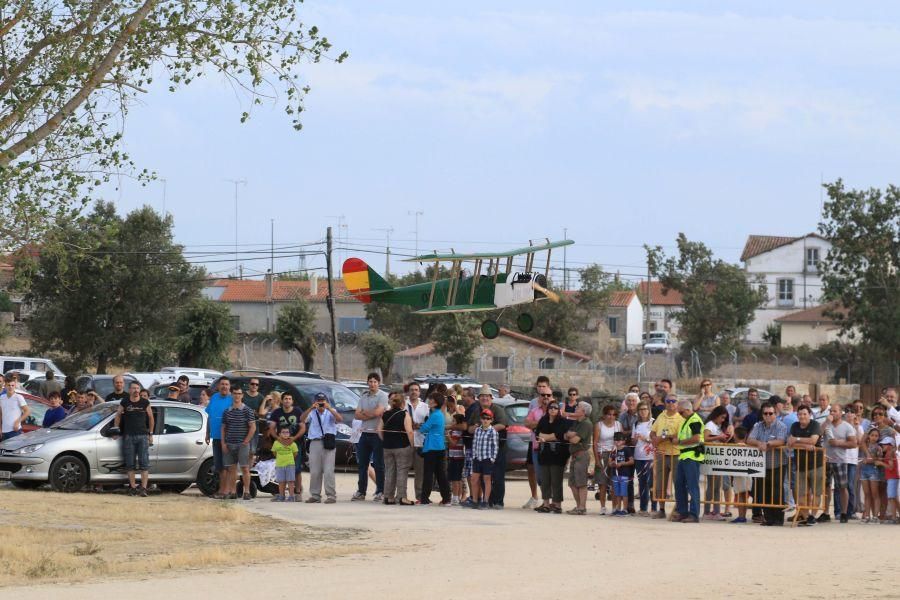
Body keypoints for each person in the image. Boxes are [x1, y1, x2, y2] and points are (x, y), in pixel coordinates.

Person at [747, 401, 789, 526]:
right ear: (762, 414)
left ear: (775, 414)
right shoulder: (758, 425)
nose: (768, 415)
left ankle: (778, 519)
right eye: (765, 413)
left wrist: (768, 444)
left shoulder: (781, 426)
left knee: (777, 492)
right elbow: (749, 439)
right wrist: (759, 443)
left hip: (778, 463)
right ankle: (768, 518)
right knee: (764, 492)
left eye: (771, 413)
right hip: (762, 465)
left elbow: (781, 440)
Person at [467, 385, 508, 508]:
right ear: (479, 398)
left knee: (498, 475)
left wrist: (487, 429)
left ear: (491, 398)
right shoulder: (476, 411)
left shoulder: (498, 409)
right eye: (482, 396)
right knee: (484, 477)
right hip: (481, 451)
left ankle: (498, 501)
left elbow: (503, 424)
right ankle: (487, 501)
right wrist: (475, 428)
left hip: (497, 448)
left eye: (487, 396)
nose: (485, 398)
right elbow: (469, 428)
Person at [300, 392, 342, 504]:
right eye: (319, 401)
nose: (321, 404)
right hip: (315, 442)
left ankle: (331, 496)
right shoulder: (312, 412)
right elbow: (302, 419)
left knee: (328, 471)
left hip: (328, 442)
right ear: (315, 402)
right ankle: (315, 495)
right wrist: (310, 408)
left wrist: (330, 409)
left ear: (326, 402)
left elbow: (339, 419)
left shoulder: (331, 412)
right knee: (314, 471)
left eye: (323, 401)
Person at [352, 373, 388, 502]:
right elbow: (356, 415)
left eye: (375, 382)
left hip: (377, 434)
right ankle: (361, 491)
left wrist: (365, 414)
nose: (372, 384)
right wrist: (371, 414)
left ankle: (380, 491)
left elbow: (379, 413)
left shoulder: (383, 396)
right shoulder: (363, 397)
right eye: (370, 381)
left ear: (378, 383)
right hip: (364, 433)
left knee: (378, 464)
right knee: (362, 464)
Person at [114, 381, 154, 496]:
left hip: (142, 436)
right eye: (134, 388)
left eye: (138, 388)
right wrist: (116, 430)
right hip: (128, 436)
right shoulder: (125, 401)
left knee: (144, 463)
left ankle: (143, 489)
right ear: (130, 390)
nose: (136, 390)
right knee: (130, 464)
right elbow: (118, 415)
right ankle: (132, 487)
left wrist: (150, 434)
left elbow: (151, 418)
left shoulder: (145, 402)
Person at [788, 405, 823, 526]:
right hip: (800, 465)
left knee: (816, 492)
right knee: (801, 493)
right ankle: (806, 516)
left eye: (804, 414)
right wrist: (804, 444)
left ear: (810, 415)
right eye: (800, 414)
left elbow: (813, 441)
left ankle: (813, 516)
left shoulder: (815, 425)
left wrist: (797, 439)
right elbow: (790, 443)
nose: (802, 416)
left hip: (816, 465)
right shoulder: (794, 425)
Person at [649, 394, 683, 519]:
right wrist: (654, 439)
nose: (670, 403)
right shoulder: (661, 416)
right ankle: (661, 509)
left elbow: (676, 437)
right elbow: (652, 432)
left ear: (677, 404)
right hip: (661, 454)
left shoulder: (680, 419)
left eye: (673, 401)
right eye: (668, 401)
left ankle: (678, 509)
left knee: (677, 483)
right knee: (660, 483)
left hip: (675, 454)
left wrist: (662, 438)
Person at [822, 403, 857, 523]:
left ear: (841, 413)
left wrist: (838, 443)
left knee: (842, 487)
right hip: (826, 459)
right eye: (831, 411)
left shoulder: (847, 426)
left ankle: (843, 513)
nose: (832, 413)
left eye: (835, 411)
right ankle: (826, 512)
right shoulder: (827, 424)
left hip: (840, 461)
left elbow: (853, 443)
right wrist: (826, 422)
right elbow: (818, 434)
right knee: (826, 487)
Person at [268, 391, 306, 501]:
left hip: (295, 443)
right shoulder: (277, 412)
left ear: (292, 401)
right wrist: (277, 438)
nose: (287, 401)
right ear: (281, 401)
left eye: (289, 399)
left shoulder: (298, 411)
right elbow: (271, 428)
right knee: (282, 469)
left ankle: (297, 492)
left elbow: (303, 427)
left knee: (297, 468)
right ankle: (281, 494)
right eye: (285, 399)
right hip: (281, 443)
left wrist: (294, 438)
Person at [378, 392, 414, 505]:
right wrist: (412, 445)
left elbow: (379, 430)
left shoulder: (385, 414)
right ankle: (402, 497)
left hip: (387, 447)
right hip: (402, 447)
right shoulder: (405, 414)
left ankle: (388, 496)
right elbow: (409, 431)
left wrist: (385, 440)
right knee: (402, 471)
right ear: (403, 403)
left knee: (389, 471)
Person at [221, 386, 256, 501]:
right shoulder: (227, 411)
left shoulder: (247, 410)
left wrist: (246, 441)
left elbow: (253, 427)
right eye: (235, 393)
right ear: (232, 395)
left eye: (239, 393)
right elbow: (223, 428)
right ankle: (233, 491)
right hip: (230, 443)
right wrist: (223, 443)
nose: (237, 395)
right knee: (232, 469)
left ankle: (246, 492)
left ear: (242, 395)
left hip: (243, 444)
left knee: (245, 468)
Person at [673, 400, 704, 523]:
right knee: (679, 485)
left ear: (687, 409)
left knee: (692, 487)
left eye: (680, 412)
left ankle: (694, 514)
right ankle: (683, 512)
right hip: (684, 456)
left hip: (692, 457)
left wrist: (680, 442)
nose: (680, 414)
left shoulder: (694, 420)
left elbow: (696, 438)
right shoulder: (687, 420)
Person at [535, 400, 568, 513]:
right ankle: (546, 504)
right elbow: (537, 433)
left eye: (555, 408)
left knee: (556, 481)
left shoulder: (562, 421)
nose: (553, 409)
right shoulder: (543, 420)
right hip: (544, 454)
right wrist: (549, 437)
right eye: (551, 407)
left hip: (558, 455)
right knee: (545, 481)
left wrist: (545, 437)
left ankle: (557, 504)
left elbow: (559, 435)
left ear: (558, 410)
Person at [523, 382, 551, 509]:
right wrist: (541, 422)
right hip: (536, 447)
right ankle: (541, 499)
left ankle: (548, 503)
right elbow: (527, 424)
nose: (545, 397)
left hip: (551, 448)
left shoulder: (556, 410)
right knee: (539, 476)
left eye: (547, 395)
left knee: (549, 474)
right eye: (543, 395)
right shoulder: (535, 410)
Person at [420, 392, 451, 506]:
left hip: (432, 447)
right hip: (440, 446)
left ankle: (424, 498)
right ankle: (446, 498)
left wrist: (420, 425)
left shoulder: (434, 415)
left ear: (436, 402)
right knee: (440, 474)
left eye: (431, 400)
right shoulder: (439, 414)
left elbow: (424, 428)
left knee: (428, 474)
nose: (429, 401)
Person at [702, 405, 733, 520]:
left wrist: (722, 437)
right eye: (722, 417)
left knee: (716, 487)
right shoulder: (710, 424)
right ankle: (708, 511)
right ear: (717, 415)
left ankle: (715, 511)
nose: (723, 420)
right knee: (712, 486)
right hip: (712, 458)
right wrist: (719, 436)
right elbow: (704, 437)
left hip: (716, 459)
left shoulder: (715, 425)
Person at [205, 377, 233, 499]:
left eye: (226, 384)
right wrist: (207, 433)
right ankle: (222, 490)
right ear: (218, 386)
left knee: (227, 465)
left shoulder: (232, 400)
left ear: (229, 387)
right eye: (222, 384)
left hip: (228, 438)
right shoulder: (214, 398)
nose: (224, 386)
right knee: (219, 466)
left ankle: (226, 491)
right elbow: (209, 417)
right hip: (216, 437)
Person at [564, 401, 593, 515]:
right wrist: (570, 435)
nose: (576, 408)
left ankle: (582, 507)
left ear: (583, 411)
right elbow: (566, 435)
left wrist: (570, 436)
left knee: (581, 483)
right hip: (575, 455)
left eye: (578, 407)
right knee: (572, 483)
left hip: (581, 455)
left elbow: (574, 440)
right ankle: (578, 506)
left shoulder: (586, 424)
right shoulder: (577, 422)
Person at [593, 404, 621, 515]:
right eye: (609, 414)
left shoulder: (618, 425)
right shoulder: (599, 425)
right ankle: (603, 506)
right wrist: (596, 459)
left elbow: (621, 439)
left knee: (614, 482)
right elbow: (595, 443)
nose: (611, 416)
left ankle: (614, 507)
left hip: (614, 453)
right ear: (604, 415)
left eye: (614, 414)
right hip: (602, 453)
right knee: (602, 483)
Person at [406, 381, 430, 501]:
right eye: (412, 390)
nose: (414, 392)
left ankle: (420, 496)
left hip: (420, 443)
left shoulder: (425, 407)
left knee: (420, 472)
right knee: (402, 471)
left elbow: (428, 424)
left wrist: (419, 426)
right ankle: (401, 495)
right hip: (405, 443)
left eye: (416, 390)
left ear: (419, 392)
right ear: (408, 392)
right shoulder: (403, 405)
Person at [471, 407, 499, 509]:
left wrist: (492, 459)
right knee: (474, 479)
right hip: (477, 458)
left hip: (487, 458)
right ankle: (474, 500)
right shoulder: (477, 430)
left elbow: (495, 446)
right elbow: (474, 443)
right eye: (484, 418)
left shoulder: (493, 432)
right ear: (480, 419)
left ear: (491, 420)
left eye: (488, 418)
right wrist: (474, 455)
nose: (485, 420)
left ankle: (486, 501)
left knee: (487, 479)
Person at [632, 401, 656, 516]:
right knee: (642, 483)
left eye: (645, 409)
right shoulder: (636, 423)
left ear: (649, 410)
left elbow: (657, 439)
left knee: (651, 482)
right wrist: (635, 439)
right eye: (641, 409)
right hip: (638, 456)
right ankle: (643, 508)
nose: (643, 411)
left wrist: (645, 438)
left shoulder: (653, 422)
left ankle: (655, 508)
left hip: (650, 456)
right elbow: (633, 440)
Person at [860, 428, 884, 523]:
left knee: (875, 494)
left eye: (876, 436)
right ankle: (866, 516)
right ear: (869, 436)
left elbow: (880, 460)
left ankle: (875, 516)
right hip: (864, 470)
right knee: (866, 494)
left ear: (878, 438)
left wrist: (871, 460)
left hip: (873, 471)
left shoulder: (878, 447)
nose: (874, 437)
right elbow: (861, 442)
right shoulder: (864, 445)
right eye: (872, 435)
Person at [729, 426, 752, 523]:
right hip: (748, 474)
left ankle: (741, 516)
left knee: (740, 495)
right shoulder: (748, 447)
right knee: (744, 495)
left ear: (735, 435)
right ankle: (742, 516)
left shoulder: (735, 447)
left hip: (739, 474)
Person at [609, 431, 634, 516]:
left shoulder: (627, 449)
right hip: (615, 474)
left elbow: (631, 461)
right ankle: (618, 508)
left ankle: (625, 509)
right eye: (616, 440)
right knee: (617, 493)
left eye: (620, 440)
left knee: (624, 493)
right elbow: (609, 462)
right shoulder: (613, 450)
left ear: (624, 440)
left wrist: (622, 463)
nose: (617, 442)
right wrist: (612, 464)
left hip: (624, 474)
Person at [270, 426, 299, 502]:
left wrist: (288, 458)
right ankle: (282, 496)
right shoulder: (276, 443)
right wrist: (280, 458)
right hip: (280, 464)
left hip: (290, 464)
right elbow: (274, 452)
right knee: (281, 481)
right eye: (283, 432)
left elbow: (295, 453)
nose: (286, 434)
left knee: (290, 481)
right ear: (279, 434)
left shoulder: (292, 443)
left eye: (287, 432)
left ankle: (291, 496)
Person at [0, 375, 30, 440]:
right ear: (5, 386)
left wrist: (18, 422)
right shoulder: (2, 398)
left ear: (15, 386)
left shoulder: (19, 397)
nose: (10, 387)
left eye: (12, 385)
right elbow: (1, 414)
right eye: (8, 385)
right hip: (4, 432)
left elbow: (27, 411)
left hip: (15, 431)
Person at [447, 414, 466, 505]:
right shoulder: (455, 431)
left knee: (455, 479)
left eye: (454, 421)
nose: (452, 423)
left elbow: (453, 443)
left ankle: (455, 497)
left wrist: (448, 436)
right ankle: (457, 497)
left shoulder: (456, 432)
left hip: (456, 457)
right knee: (457, 478)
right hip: (456, 457)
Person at [881, 437, 898, 523]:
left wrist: (881, 463)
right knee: (893, 498)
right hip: (892, 477)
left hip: (892, 477)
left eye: (885, 444)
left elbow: (890, 467)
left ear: (890, 445)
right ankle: (895, 517)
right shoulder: (890, 453)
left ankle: (894, 518)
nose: (883, 445)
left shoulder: (889, 454)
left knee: (891, 497)